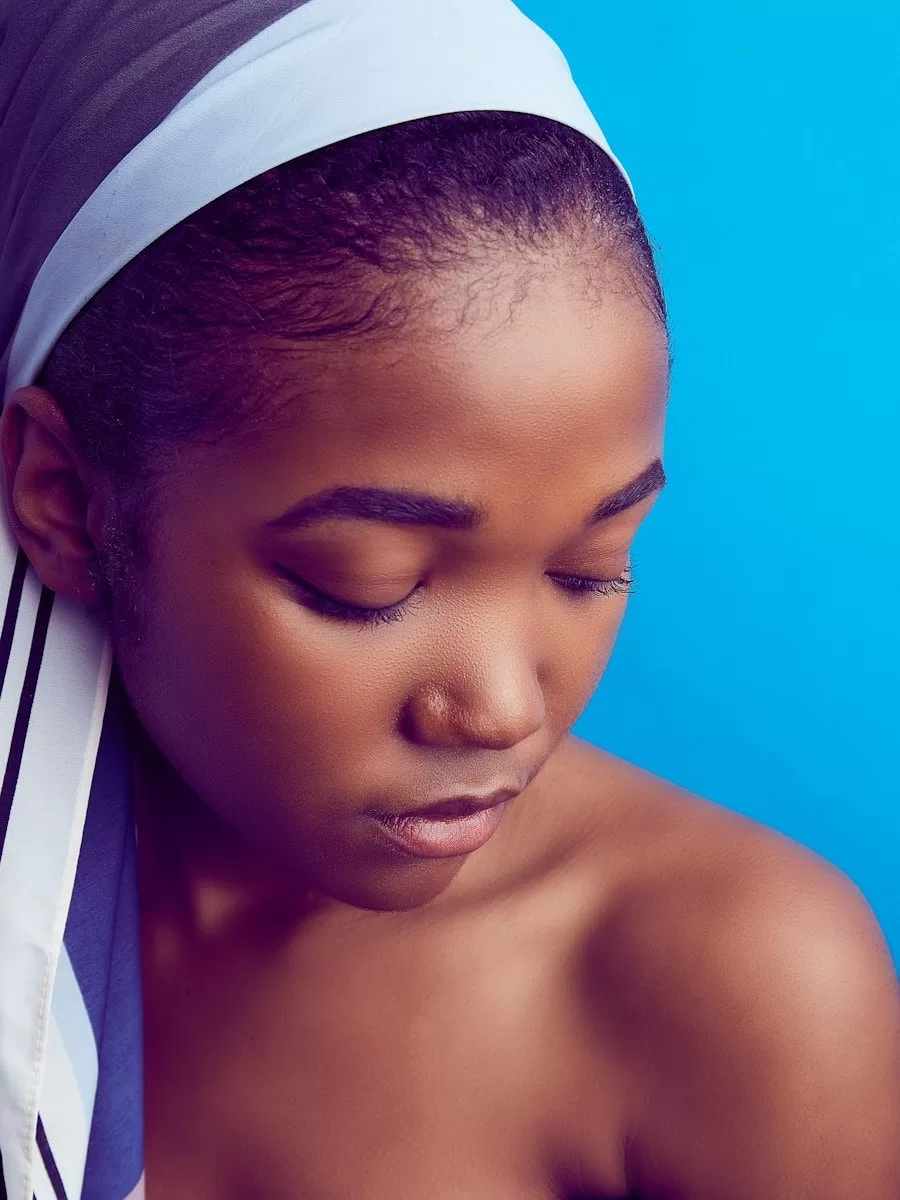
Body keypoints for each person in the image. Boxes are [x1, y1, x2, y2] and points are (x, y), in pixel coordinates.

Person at [1, 2, 898, 1198]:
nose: (501, 710)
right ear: (62, 497)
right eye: (364, 584)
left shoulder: (737, 986)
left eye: (592, 567)